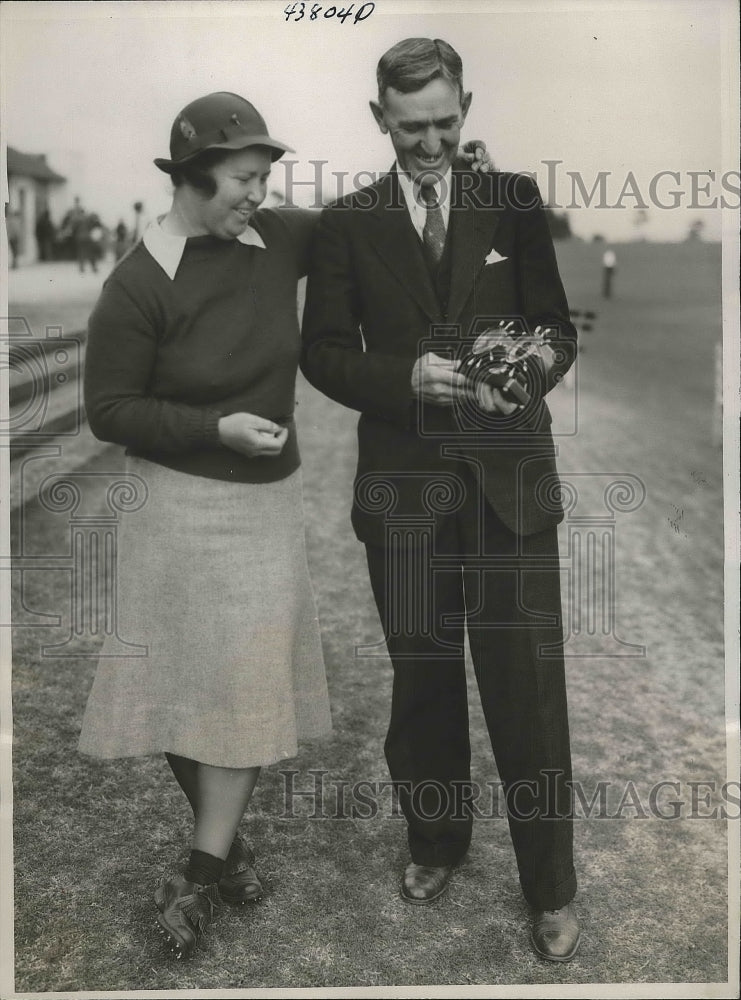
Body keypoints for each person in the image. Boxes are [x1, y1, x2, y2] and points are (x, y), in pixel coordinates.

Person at [301, 38, 581, 962]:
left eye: (446, 123)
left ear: (466, 107)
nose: (429, 143)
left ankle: (550, 886)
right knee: (422, 681)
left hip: (508, 486)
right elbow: (325, 354)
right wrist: (404, 376)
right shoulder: (348, 223)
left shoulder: (514, 202)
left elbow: (554, 329)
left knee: (527, 692)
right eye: (411, 125)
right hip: (404, 493)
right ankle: (435, 842)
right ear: (377, 115)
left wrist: (532, 366)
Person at [78, 92, 334, 960]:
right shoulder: (139, 278)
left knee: (247, 683)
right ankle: (223, 855)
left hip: (263, 509)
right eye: (241, 180)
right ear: (190, 179)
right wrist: (209, 428)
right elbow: (108, 409)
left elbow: (366, 226)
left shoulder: (279, 240)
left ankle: (197, 871)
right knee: (181, 691)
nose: (258, 194)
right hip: (172, 502)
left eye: (265, 178)